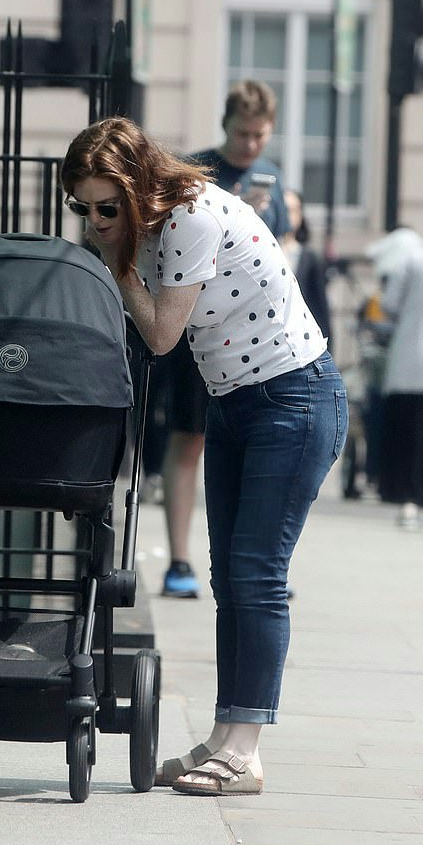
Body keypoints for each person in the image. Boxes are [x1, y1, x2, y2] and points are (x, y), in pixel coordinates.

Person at [61, 116, 347, 796]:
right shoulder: (153, 221)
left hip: (293, 399)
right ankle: (225, 737)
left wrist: (116, 265)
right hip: (237, 401)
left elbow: (161, 333)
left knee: (256, 573)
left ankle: (245, 750)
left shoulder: (188, 216)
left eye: (107, 206)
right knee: (229, 575)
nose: (96, 219)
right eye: (83, 207)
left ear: (137, 187)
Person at [160, 80, 289, 597]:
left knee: (256, 445)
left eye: (260, 136)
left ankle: (253, 562)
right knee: (190, 440)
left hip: (259, 335)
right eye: (242, 134)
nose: (251, 145)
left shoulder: (274, 179)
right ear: (225, 126)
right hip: (203, 328)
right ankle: (180, 558)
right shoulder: (198, 171)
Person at [377, 209, 423, 530]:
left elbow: (389, 305)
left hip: (413, 364)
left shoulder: (414, 260)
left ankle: (410, 501)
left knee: (411, 439)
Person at [281, 189, 331, 343]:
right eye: (284, 209)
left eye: (294, 210)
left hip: (301, 339)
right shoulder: (262, 250)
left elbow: (320, 306)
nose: (288, 216)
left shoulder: (309, 258)